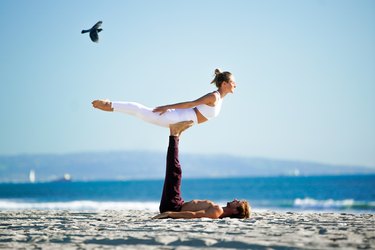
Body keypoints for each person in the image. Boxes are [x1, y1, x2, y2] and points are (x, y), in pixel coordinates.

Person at [153, 121, 251, 219]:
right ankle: (176, 134)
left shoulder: (217, 211)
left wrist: (169, 213)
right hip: (177, 204)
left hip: (174, 206)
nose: (235, 199)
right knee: (175, 171)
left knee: (175, 172)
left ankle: (174, 134)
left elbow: (194, 215)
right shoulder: (218, 210)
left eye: (237, 202)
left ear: (235, 211)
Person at [91, 69, 236, 127]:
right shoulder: (214, 97)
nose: (235, 84)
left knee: (139, 112)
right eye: (232, 82)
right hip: (175, 117)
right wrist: (167, 107)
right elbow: (190, 103)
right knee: (139, 110)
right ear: (224, 84)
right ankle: (108, 104)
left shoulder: (219, 98)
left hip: (179, 119)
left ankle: (110, 105)